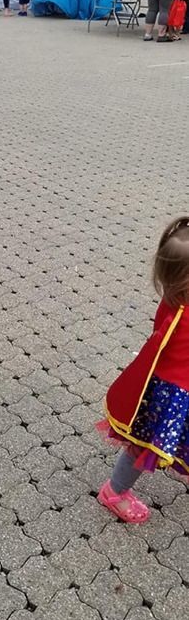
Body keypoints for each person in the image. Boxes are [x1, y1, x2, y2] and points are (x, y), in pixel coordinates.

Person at [98, 217, 189, 523]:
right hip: (168, 395)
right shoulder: (179, 313)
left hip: (181, 390)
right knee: (141, 447)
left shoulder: (176, 299)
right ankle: (115, 491)